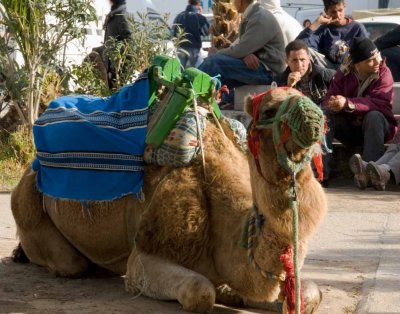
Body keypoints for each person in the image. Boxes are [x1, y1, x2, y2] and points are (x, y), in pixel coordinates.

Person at [322, 37, 397, 187]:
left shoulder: (383, 73)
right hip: (351, 129)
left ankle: (370, 172)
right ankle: (321, 173)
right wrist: (334, 103)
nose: (378, 62)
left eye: (378, 56)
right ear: (357, 64)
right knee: (326, 116)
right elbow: (329, 97)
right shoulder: (343, 73)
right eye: (371, 60)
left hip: (378, 128)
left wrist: (349, 103)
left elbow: (380, 104)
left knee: (374, 116)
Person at [198, 0, 286, 107]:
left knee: (214, 62)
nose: (232, 3)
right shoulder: (252, 15)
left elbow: (241, 49)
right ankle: (208, 105)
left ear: (241, 1)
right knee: (219, 78)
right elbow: (245, 48)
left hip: (269, 72)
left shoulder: (259, 18)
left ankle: (188, 95)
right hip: (260, 66)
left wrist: (217, 53)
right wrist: (245, 54)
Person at [277, 39, 335, 185]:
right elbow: (277, 106)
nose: (299, 65)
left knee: (323, 122)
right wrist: (288, 87)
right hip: (293, 120)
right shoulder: (280, 80)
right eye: (294, 60)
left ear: (309, 59)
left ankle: (320, 176)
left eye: (303, 60)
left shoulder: (325, 75)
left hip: (320, 118)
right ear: (287, 61)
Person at [296, 0, 368, 69]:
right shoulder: (323, 29)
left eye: (340, 10)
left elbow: (366, 53)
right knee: (304, 51)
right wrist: (317, 23)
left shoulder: (357, 28)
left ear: (345, 6)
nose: (338, 15)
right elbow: (298, 45)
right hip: (328, 70)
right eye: (333, 12)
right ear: (326, 11)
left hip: (351, 70)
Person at [101, 0, 132, 87]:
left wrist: (120, 69)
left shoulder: (121, 15)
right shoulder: (114, 14)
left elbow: (129, 41)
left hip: (118, 70)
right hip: (111, 67)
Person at [172, 0, 210, 68]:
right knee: (198, 70)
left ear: (189, 2)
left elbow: (174, 31)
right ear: (198, 4)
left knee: (180, 70)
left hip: (181, 47)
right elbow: (206, 33)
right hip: (194, 49)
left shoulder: (179, 16)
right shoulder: (199, 17)